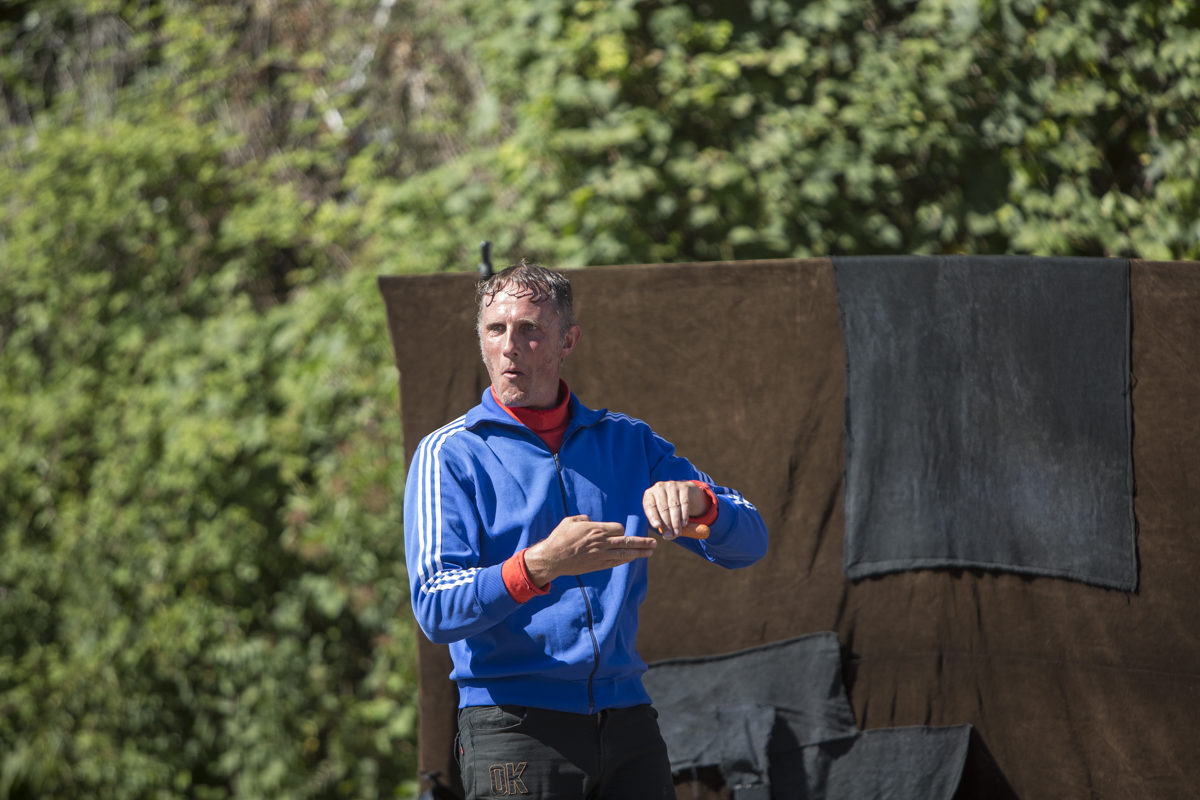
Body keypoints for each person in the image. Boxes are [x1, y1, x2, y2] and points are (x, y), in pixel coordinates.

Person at [404, 261, 768, 799]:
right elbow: (436, 608)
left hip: (628, 720)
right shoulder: (448, 453)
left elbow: (752, 541)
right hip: (513, 725)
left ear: (568, 340)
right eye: (495, 329)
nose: (509, 346)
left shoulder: (629, 442)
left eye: (530, 329)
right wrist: (540, 565)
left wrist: (703, 504)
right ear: (480, 339)